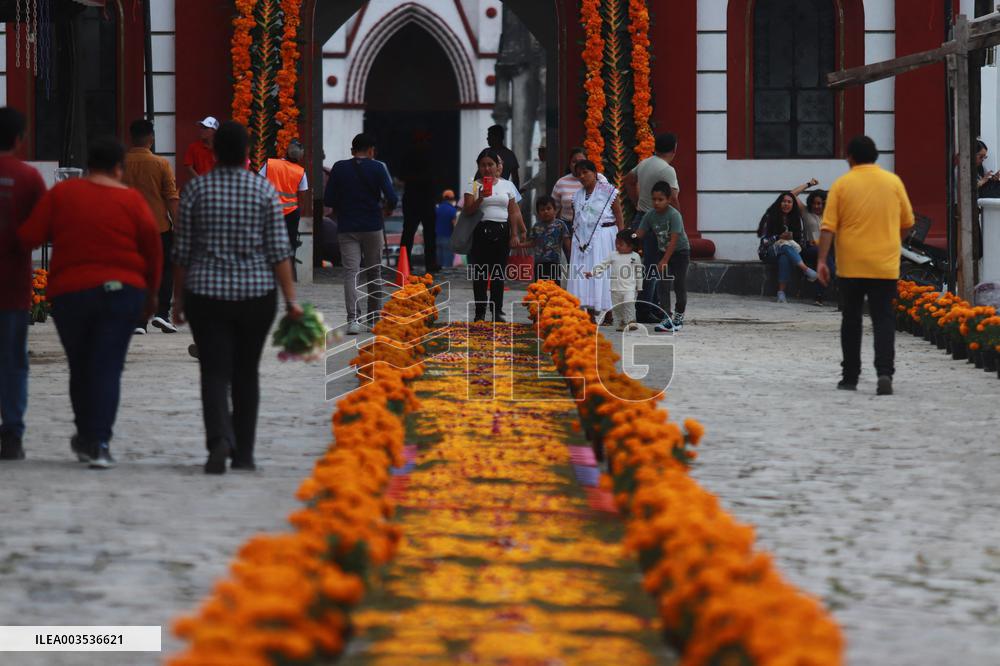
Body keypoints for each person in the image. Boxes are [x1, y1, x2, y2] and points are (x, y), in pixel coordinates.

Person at [18, 137, 162, 469]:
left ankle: (85, 435)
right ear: (118, 169)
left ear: (88, 166)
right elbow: (153, 252)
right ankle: (99, 442)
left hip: (72, 294)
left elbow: (30, 237)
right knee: (108, 367)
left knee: (81, 365)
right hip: (123, 292)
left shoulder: (63, 194)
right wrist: (151, 295)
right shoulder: (133, 201)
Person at [172, 121, 300, 474]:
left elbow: (182, 253)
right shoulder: (264, 191)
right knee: (246, 372)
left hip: (205, 294)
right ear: (247, 154)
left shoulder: (197, 191)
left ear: (213, 152)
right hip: (255, 297)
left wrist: (177, 301)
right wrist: (291, 300)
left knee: (213, 371)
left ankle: (218, 441)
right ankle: (244, 452)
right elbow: (279, 251)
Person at [817, 135, 914, 396]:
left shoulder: (842, 184)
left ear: (850, 157)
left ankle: (850, 377)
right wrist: (893, 241)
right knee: (883, 318)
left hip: (851, 265)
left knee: (851, 318)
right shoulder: (893, 182)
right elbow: (908, 222)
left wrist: (822, 260)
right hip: (885, 264)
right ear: (875, 156)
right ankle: (885, 373)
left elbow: (827, 228)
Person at [0, 107, 46, 461]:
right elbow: (40, 231)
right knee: (13, 361)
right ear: (19, 139)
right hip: (12, 287)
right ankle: (12, 433)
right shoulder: (29, 178)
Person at [325, 133, 397, 335]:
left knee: (351, 273)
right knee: (374, 271)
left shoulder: (339, 167)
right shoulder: (378, 167)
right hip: (372, 226)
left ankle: (353, 320)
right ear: (371, 151)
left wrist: (345, 204)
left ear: (352, 150)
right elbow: (391, 197)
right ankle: (374, 318)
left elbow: (329, 199)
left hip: (347, 226)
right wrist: (387, 208)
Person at [123, 119, 180, 335]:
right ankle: (162, 313)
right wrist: (179, 225)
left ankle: (139, 320)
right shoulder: (161, 164)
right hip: (159, 227)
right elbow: (171, 197)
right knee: (165, 270)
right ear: (151, 139)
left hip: (130, 228)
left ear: (131, 138)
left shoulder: (121, 163)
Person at [463, 148, 526, 322]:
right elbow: (467, 211)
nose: (487, 168)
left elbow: (513, 211)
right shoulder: (473, 185)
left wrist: (515, 234)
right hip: (480, 232)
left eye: (490, 164)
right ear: (479, 167)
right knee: (480, 275)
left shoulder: (507, 185)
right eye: (483, 165)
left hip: (502, 231)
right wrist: (481, 198)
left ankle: (497, 311)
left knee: (498, 275)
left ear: (497, 166)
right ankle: (480, 312)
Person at [624, 133, 681, 321]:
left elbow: (628, 179)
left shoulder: (646, 163)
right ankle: (644, 309)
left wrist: (636, 201)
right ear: (674, 149)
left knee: (651, 262)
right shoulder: (667, 169)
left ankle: (654, 306)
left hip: (642, 216)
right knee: (653, 267)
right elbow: (672, 198)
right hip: (658, 221)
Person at [566, 160, 624, 320]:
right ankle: (590, 314)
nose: (582, 176)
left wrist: (622, 238)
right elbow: (576, 218)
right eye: (579, 174)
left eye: (586, 172)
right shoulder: (577, 196)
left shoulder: (608, 192)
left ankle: (609, 312)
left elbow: (619, 215)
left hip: (604, 236)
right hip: (582, 240)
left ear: (595, 173)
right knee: (584, 275)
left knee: (603, 272)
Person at [634, 181, 690, 333]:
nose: (656, 203)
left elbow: (674, 240)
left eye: (660, 199)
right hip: (662, 252)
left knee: (679, 285)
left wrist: (664, 260)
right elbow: (640, 233)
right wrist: (628, 236)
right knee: (663, 285)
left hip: (680, 253)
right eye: (654, 199)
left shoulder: (674, 215)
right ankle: (667, 317)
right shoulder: (650, 216)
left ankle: (678, 318)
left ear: (669, 199)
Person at [756, 191, 818, 302]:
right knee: (784, 246)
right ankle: (806, 270)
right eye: (784, 201)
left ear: (793, 205)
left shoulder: (796, 219)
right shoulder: (770, 217)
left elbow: (801, 241)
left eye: (789, 202)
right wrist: (778, 237)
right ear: (779, 203)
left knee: (784, 256)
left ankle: (781, 293)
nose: (786, 204)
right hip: (769, 252)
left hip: (788, 252)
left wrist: (794, 240)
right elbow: (764, 241)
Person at [260, 140, 310, 270]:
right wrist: (300, 211)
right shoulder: (301, 172)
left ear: (285, 151)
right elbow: (303, 196)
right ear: (300, 157)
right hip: (291, 214)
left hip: (270, 210)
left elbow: (258, 182)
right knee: (290, 244)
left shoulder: (270, 164)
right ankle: (288, 273)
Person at [586, 230, 642, 332]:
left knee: (629, 304)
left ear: (631, 246)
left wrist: (639, 286)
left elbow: (639, 273)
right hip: (615, 288)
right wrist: (592, 272)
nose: (617, 246)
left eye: (621, 244)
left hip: (629, 288)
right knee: (618, 307)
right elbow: (603, 265)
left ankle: (631, 321)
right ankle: (622, 322)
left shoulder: (635, 256)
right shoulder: (613, 255)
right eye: (616, 243)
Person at [792, 181, 836, 306]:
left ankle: (819, 296)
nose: (817, 206)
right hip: (809, 249)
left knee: (829, 265)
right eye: (814, 203)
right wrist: (808, 184)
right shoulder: (806, 212)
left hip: (826, 250)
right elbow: (791, 195)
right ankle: (819, 295)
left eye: (820, 204)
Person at [400, 131, 439, 272]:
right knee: (427, 233)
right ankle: (430, 263)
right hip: (424, 199)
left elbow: (401, 175)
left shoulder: (408, 156)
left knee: (409, 233)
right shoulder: (430, 155)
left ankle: (405, 263)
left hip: (413, 198)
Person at [550, 147, 608, 235]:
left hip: (595, 225)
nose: (578, 164)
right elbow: (553, 209)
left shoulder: (599, 178)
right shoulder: (561, 182)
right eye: (574, 162)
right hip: (568, 227)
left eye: (581, 161)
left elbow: (610, 200)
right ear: (569, 164)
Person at [528, 195, 570, 285]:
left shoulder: (560, 225)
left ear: (555, 210)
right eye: (542, 210)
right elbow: (532, 243)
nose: (545, 211)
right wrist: (518, 245)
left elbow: (567, 244)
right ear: (538, 213)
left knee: (554, 287)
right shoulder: (536, 226)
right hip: (539, 263)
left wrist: (572, 256)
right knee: (540, 288)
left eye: (548, 208)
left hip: (554, 262)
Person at [434, 189, 458, 269]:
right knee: (447, 266)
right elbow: (454, 225)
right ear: (453, 198)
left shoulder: (437, 209)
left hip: (437, 238)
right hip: (448, 238)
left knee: (439, 262)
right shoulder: (453, 210)